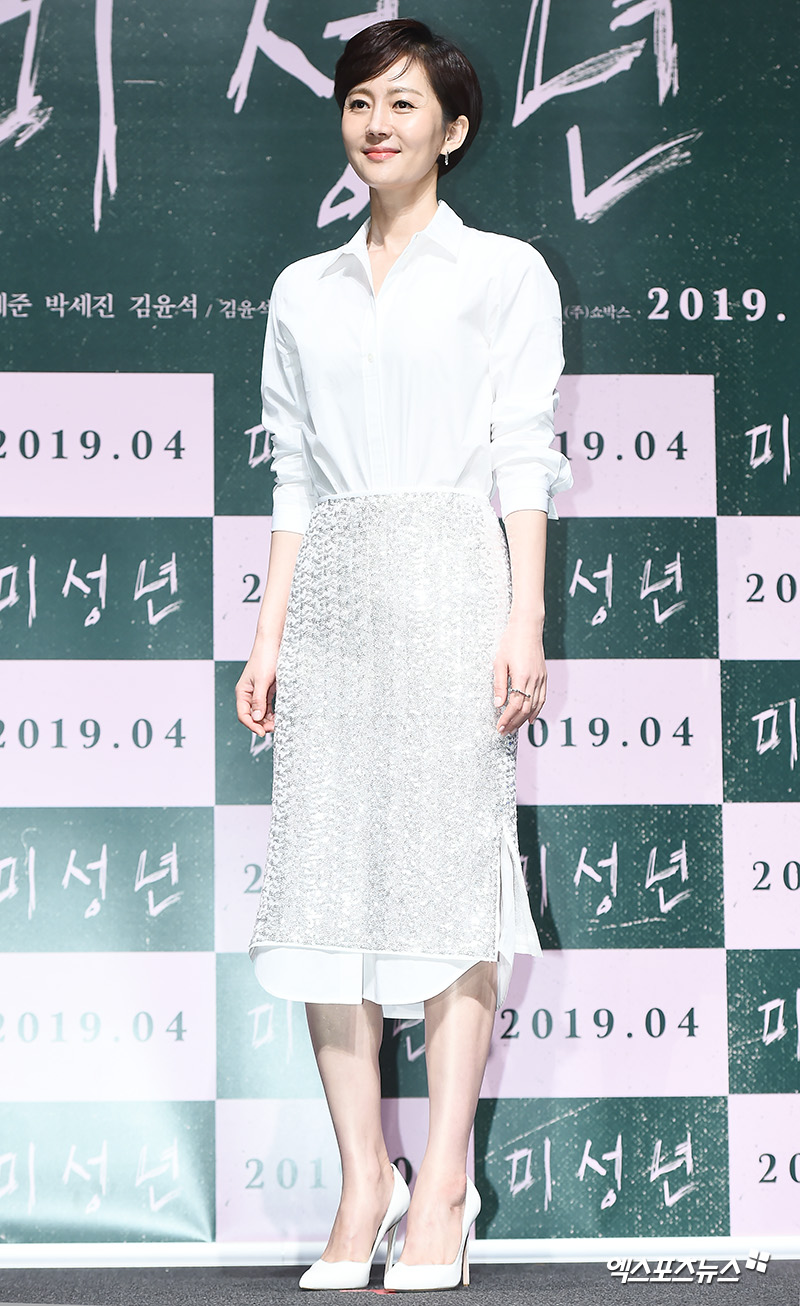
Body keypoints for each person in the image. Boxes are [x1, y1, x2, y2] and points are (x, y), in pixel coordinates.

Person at [235, 16, 572, 1293]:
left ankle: (440, 1188)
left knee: (446, 884)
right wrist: (267, 635)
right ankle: (359, 1182)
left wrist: (522, 619)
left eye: (402, 103)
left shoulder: (504, 274)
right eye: (358, 102)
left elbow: (523, 457)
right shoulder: (300, 291)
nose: (376, 124)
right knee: (324, 887)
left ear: (453, 129)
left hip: (449, 585)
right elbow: (291, 475)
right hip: (332, 596)